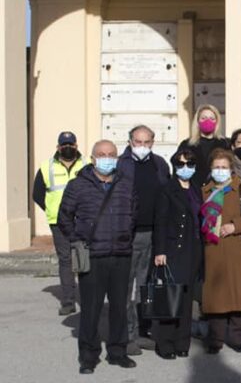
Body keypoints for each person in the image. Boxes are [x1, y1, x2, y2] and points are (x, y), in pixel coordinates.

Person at [57, 140, 138, 374]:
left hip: (121, 255)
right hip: (92, 256)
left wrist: (125, 238)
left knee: (119, 307)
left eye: (111, 154)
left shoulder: (126, 184)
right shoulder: (78, 185)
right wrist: (77, 239)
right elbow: (64, 217)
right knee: (91, 309)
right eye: (101, 154)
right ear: (92, 158)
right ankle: (88, 356)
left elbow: (134, 214)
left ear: (117, 157)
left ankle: (118, 352)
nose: (107, 158)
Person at [200, 148, 241, 354]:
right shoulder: (205, 191)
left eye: (224, 167)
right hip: (213, 249)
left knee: (239, 295)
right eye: (216, 167)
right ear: (210, 169)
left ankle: (238, 338)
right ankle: (215, 338)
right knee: (215, 296)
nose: (220, 171)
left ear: (231, 169)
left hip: (237, 247)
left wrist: (235, 226)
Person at [116, 125, 170, 356]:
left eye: (146, 142)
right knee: (126, 288)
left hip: (152, 234)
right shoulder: (120, 165)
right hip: (128, 235)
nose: (142, 146)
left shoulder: (159, 164)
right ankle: (127, 335)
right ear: (129, 142)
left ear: (153, 143)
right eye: (137, 142)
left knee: (146, 288)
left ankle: (142, 331)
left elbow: (165, 197)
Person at [151, 149, 203, 359]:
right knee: (170, 296)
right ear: (174, 166)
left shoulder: (197, 189)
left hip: (194, 248)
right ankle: (165, 342)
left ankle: (183, 342)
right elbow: (160, 221)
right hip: (173, 249)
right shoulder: (167, 189)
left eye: (189, 163)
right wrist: (160, 250)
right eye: (180, 164)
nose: (185, 168)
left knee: (187, 297)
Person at [32, 131, 86, 316]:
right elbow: (37, 194)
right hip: (58, 222)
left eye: (71, 144)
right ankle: (68, 301)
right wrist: (51, 209)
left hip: (83, 220)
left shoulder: (86, 165)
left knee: (84, 258)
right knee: (66, 260)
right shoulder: (46, 167)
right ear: (58, 147)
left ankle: (87, 299)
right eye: (64, 145)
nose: (68, 148)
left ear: (76, 146)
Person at [177, 104, 229, 187]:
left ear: (217, 122)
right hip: (193, 190)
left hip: (218, 190)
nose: (207, 121)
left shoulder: (225, 144)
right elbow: (178, 168)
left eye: (212, 119)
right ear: (197, 121)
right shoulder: (187, 144)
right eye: (203, 118)